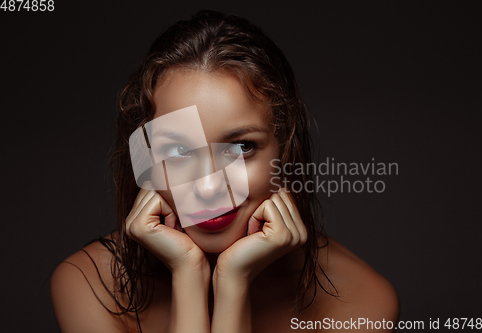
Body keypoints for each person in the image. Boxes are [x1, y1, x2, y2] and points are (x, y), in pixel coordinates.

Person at [51, 10, 399, 333]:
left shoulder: (362, 301)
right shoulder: (89, 284)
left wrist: (233, 283)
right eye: (178, 151)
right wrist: (189, 275)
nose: (207, 187)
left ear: (285, 150)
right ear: (146, 158)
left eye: (241, 147)